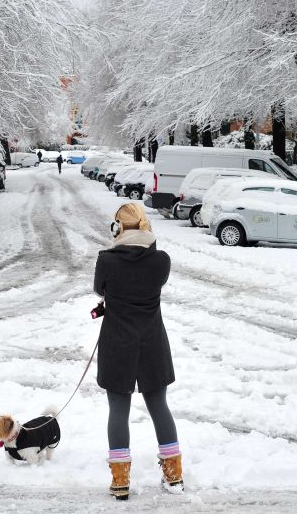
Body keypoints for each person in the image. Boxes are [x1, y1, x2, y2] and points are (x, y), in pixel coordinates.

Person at [93, 203, 182, 500]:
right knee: (159, 406)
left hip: (117, 343)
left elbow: (99, 289)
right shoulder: (161, 261)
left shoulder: (106, 260)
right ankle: (174, 475)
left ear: (117, 228)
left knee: (118, 410)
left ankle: (120, 481)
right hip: (152, 342)